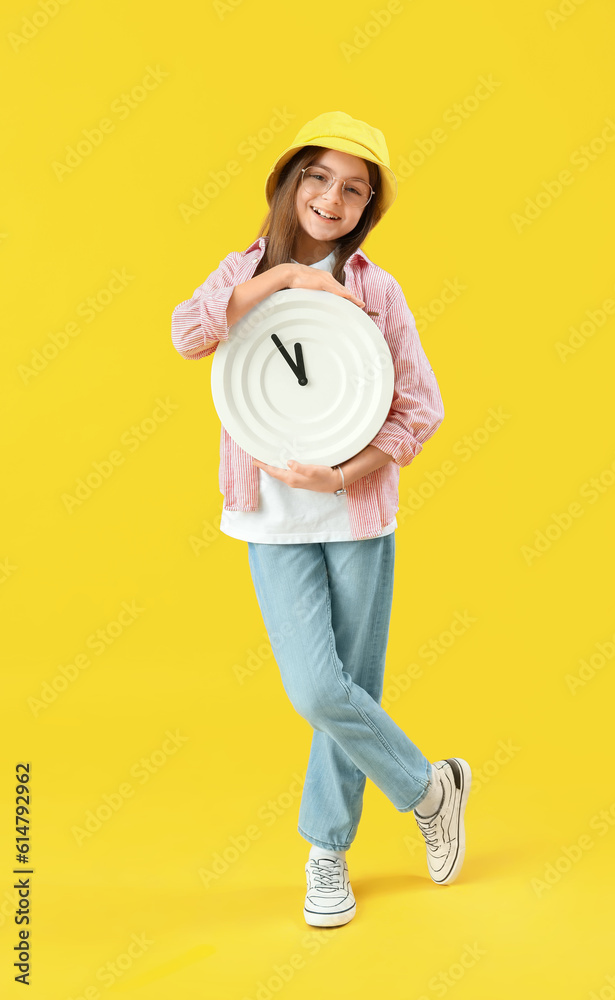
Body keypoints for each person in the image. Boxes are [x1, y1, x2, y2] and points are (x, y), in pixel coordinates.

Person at [171, 110, 471, 927]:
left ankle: (325, 854)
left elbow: (419, 411)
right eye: (319, 178)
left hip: (355, 514)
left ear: (366, 205)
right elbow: (188, 334)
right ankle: (429, 787)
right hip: (267, 513)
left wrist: (342, 472)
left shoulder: (377, 288)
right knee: (317, 688)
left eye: (353, 188)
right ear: (288, 182)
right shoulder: (241, 272)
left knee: (351, 688)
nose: (332, 199)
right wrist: (278, 282)